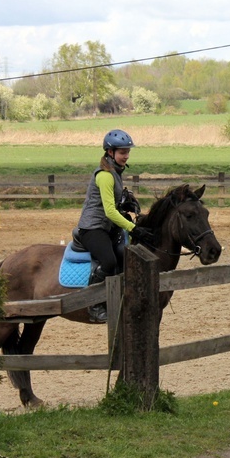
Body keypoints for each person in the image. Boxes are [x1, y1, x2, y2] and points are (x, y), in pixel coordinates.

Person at [77, 129, 154, 322]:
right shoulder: (105, 175)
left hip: (107, 227)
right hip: (92, 228)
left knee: (125, 256)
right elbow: (109, 211)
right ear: (110, 153)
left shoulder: (116, 173)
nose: (125, 155)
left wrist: (125, 203)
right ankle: (93, 304)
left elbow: (114, 207)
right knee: (109, 261)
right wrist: (133, 227)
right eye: (122, 152)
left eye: (127, 152)